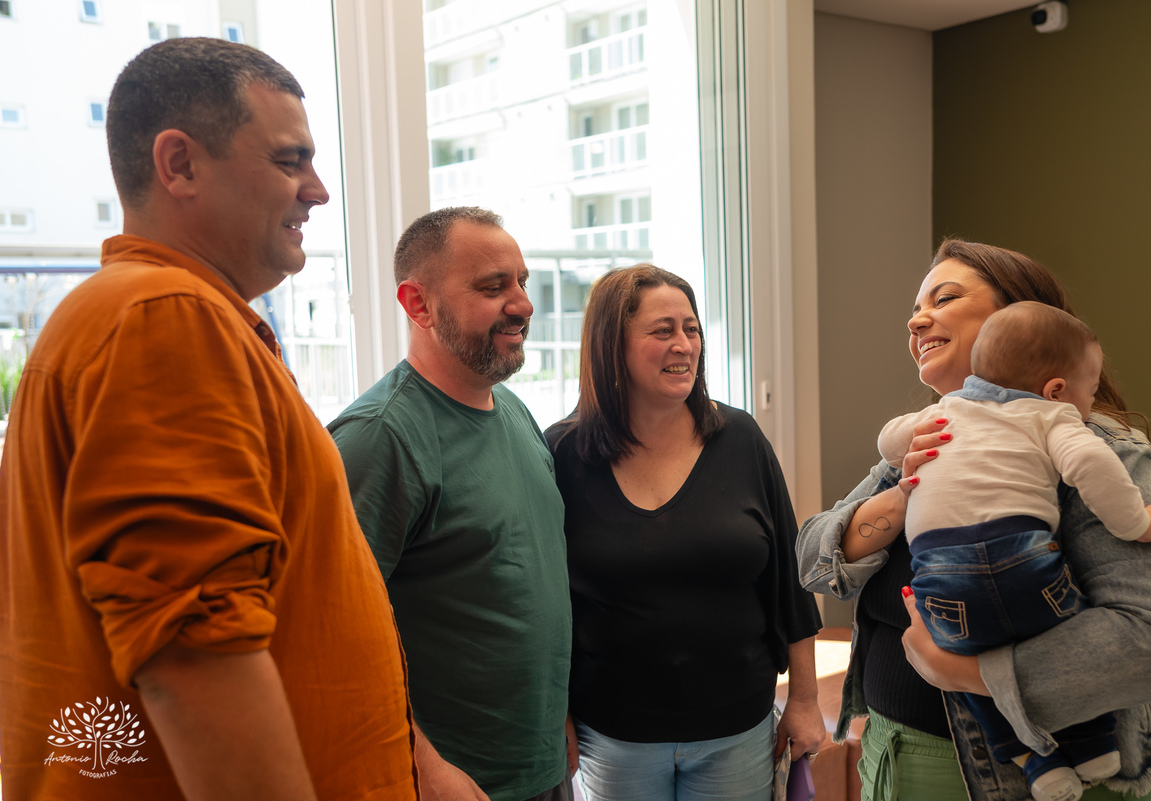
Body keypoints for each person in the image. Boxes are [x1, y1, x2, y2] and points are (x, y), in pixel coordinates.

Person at [0, 38, 418, 801]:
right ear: (180, 164)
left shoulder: (148, 315)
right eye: (290, 161)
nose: (318, 191)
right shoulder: (163, 318)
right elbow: (195, 654)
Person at [797, 239, 1151, 801]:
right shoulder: (927, 440)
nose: (917, 319)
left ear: (1015, 320)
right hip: (891, 761)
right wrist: (898, 499)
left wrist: (970, 675)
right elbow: (813, 563)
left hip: (1031, 781)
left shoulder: (1103, 454)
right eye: (915, 308)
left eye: (945, 297)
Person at [877, 301, 1151, 801]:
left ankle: (1036, 763)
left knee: (963, 660)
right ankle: (1091, 743)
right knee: (1066, 628)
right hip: (1022, 558)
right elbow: (1092, 465)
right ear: (1057, 388)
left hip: (941, 580)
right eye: (1090, 389)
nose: (1090, 401)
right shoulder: (1051, 415)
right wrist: (1137, 522)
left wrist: (905, 446)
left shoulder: (941, 413)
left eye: (947, 299)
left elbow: (890, 439)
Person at [544, 264, 825, 801]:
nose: (684, 344)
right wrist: (554, 711)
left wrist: (806, 701)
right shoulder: (562, 454)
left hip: (738, 731)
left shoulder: (740, 438)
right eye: (662, 331)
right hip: (613, 736)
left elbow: (788, 583)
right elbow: (545, 601)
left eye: (691, 329)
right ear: (612, 347)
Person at [328, 206, 572, 801]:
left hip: (541, 767)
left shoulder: (511, 410)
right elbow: (333, 639)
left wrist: (558, 723)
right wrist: (425, 768)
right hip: (453, 782)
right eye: (493, 287)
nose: (522, 304)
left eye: (521, 281)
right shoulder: (379, 438)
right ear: (418, 304)